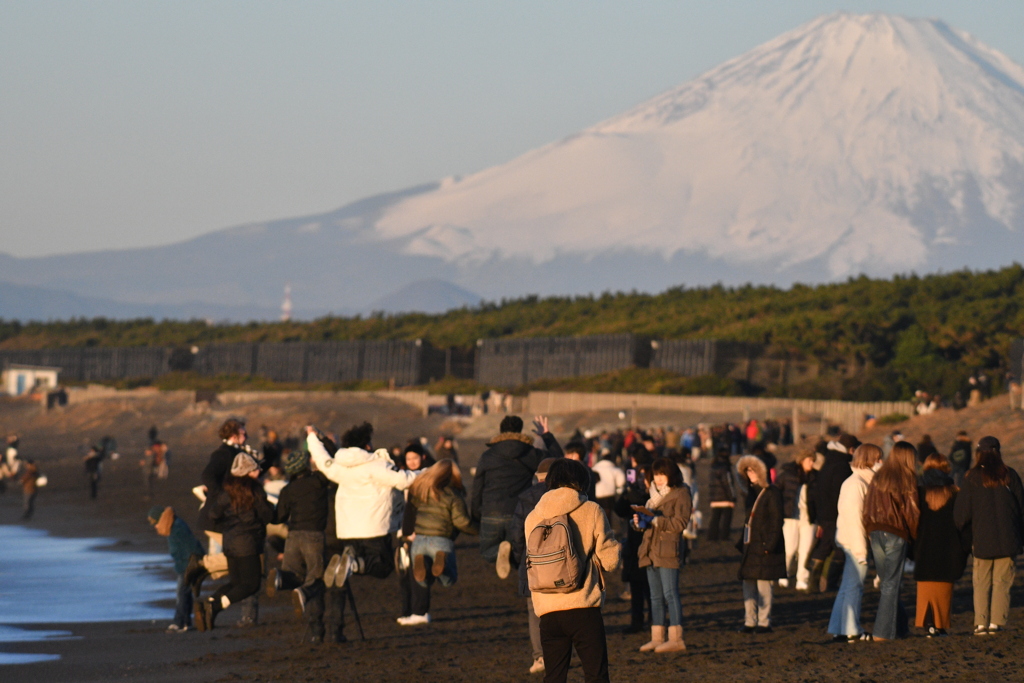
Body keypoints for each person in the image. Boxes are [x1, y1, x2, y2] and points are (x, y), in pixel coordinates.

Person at [525, 459, 620, 683]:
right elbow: (610, 561)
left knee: (554, 676)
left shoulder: (532, 517)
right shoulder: (591, 510)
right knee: (596, 675)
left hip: (547, 608)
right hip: (583, 605)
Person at [307, 422, 417, 592]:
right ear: (367, 445)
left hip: (347, 531)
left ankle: (351, 560)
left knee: (361, 566)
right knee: (384, 567)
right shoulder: (376, 466)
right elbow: (405, 480)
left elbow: (322, 460)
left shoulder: (340, 467)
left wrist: (312, 438)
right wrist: (430, 472)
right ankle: (352, 562)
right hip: (374, 529)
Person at [472, 414, 562, 579]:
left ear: (501, 430)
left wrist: (476, 513)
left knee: (486, 552)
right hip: (520, 511)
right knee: (519, 551)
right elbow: (558, 460)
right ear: (520, 430)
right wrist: (546, 436)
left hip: (492, 511)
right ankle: (508, 551)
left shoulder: (488, 455)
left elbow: (477, 486)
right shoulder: (530, 453)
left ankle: (500, 551)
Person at [195, 452, 274, 631]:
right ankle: (215, 606)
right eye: (255, 469)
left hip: (230, 543)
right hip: (248, 544)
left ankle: (209, 605)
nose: (258, 471)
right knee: (251, 585)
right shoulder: (254, 490)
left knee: (236, 584)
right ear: (247, 472)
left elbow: (214, 514)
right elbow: (267, 515)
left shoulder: (227, 490)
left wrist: (229, 525)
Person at [954, 436, 1024, 635]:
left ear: (979, 453)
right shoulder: (1010, 475)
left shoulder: (972, 477)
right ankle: (996, 623)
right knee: (1003, 583)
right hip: (1009, 539)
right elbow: (1021, 509)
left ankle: (981, 623)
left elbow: (961, 514)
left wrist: (964, 535)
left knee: (981, 582)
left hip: (982, 539)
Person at [399, 459, 477, 626]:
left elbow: (409, 513)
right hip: (441, 541)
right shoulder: (453, 495)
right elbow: (462, 522)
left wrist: (406, 533)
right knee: (449, 580)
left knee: (422, 580)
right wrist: (478, 530)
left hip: (419, 541)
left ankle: (425, 562)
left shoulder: (420, 489)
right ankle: (440, 567)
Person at [267, 449, 330, 643]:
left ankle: (279, 578)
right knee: (316, 580)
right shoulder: (319, 482)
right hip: (314, 536)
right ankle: (316, 631)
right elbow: (330, 464)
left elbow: (279, 518)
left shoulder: (288, 489)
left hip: (293, 537)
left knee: (294, 576)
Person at [863, 441, 920, 641]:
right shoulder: (907, 479)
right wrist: (913, 539)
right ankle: (881, 633)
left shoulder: (879, 477)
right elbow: (912, 514)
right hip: (896, 533)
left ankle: (901, 627)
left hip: (875, 532)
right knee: (890, 584)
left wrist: (870, 529)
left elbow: (868, 506)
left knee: (888, 582)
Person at [634, 457, 692, 653]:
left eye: (662, 474)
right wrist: (639, 521)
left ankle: (676, 639)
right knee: (655, 597)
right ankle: (657, 638)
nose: (658, 479)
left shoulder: (681, 493)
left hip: (668, 550)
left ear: (671, 475)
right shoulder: (653, 496)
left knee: (670, 594)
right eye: (656, 475)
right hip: (650, 550)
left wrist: (656, 520)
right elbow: (651, 523)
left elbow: (680, 523)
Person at [827, 443, 881, 642]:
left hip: (851, 541)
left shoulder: (858, 481)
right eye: (878, 458)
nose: (881, 463)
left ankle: (838, 628)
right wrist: (861, 550)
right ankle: (852, 629)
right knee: (854, 587)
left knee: (847, 587)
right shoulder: (857, 483)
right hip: (854, 543)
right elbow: (855, 519)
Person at [510, 458, 557, 675]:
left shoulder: (525, 498)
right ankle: (558, 654)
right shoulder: (563, 497)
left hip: (531, 562)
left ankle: (539, 657)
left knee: (534, 611)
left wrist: (520, 557)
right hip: (559, 562)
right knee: (560, 609)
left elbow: (517, 533)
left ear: (537, 477)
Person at [914, 454, 968, 637]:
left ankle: (927, 621)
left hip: (924, 545)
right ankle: (940, 623)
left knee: (926, 587)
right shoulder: (955, 493)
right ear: (947, 469)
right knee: (944, 589)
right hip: (948, 546)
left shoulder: (919, 492)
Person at [735, 455, 785, 633]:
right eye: (747, 470)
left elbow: (776, 520)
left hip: (763, 544)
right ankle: (750, 621)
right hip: (750, 544)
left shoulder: (772, 492)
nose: (750, 474)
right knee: (748, 583)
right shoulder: (750, 493)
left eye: (753, 470)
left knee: (764, 584)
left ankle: (764, 622)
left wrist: (769, 545)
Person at [809, 434, 858, 592]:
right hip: (835, 514)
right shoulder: (842, 466)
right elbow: (840, 493)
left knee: (825, 545)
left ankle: (814, 581)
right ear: (851, 449)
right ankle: (828, 582)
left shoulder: (829, 461)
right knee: (838, 548)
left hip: (824, 513)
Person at [614, 449, 654, 635]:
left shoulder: (653, 492)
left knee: (649, 587)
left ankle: (654, 620)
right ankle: (637, 621)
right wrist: (626, 493)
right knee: (637, 586)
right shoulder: (632, 490)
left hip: (648, 543)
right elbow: (620, 510)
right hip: (633, 542)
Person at [148, 505, 205, 633]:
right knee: (184, 593)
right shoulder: (171, 526)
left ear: (161, 519)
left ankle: (179, 623)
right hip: (184, 565)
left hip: (189, 564)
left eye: (155, 523)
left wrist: (197, 562)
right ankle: (186, 622)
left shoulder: (177, 527)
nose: (155, 527)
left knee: (181, 593)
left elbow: (193, 545)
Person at [776, 451, 817, 590]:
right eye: (809, 460)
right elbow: (775, 493)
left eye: (813, 460)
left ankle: (802, 579)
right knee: (789, 549)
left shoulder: (815, 477)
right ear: (801, 460)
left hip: (809, 518)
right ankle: (783, 574)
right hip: (790, 517)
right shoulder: (786, 475)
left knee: (805, 550)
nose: (812, 463)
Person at [707, 447, 736, 542]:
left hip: (714, 497)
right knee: (726, 518)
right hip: (725, 498)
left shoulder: (713, 467)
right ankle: (724, 536)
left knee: (715, 518)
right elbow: (728, 483)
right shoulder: (725, 468)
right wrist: (732, 497)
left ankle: (712, 536)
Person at [591, 452, 625, 521]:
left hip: (597, 494)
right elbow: (621, 482)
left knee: (598, 514)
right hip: (610, 495)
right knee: (608, 514)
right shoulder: (615, 469)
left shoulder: (594, 468)